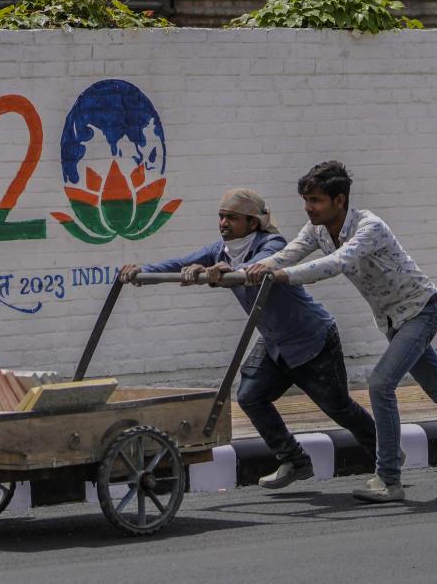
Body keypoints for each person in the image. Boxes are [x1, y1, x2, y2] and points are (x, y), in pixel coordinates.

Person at [245, 161, 437, 503]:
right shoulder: (316, 230)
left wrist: (284, 276)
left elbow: (337, 264)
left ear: (339, 200)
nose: (308, 208)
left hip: (421, 310)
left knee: (380, 384)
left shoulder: (369, 227)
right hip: (393, 320)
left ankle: (388, 479)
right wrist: (259, 268)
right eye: (306, 200)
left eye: (315, 200)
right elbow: (288, 253)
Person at [120, 188, 378, 489]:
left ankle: (384, 456)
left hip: (312, 340)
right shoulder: (221, 251)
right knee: (250, 396)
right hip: (274, 342)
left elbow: (258, 268)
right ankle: (294, 460)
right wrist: (142, 271)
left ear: (253, 223)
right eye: (221, 217)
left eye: (232, 218)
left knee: (337, 407)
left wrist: (225, 272)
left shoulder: (272, 243)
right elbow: (181, 262)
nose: (224, 223)